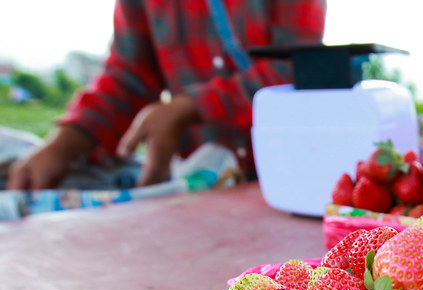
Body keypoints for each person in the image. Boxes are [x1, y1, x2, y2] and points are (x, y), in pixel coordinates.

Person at [7, 0, 326, 191]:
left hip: (293, 178)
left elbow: (300, 67)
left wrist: (189, 108)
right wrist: (61, 147)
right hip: (199, 194)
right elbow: (128, 75)